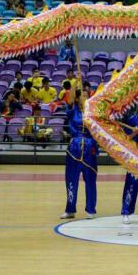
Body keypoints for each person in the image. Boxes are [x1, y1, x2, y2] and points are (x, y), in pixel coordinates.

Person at [60, 89, 98, 220]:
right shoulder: (72, 110)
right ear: (77, 99)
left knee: (90, 180)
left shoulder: (93, 112)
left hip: (89, 147)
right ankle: (70, 209)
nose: (85, 98)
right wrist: (76, 81)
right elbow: (69, 99)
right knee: (71, 180)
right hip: (74, 147)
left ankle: (91, 209)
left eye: (87, 96)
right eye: (83, 96)